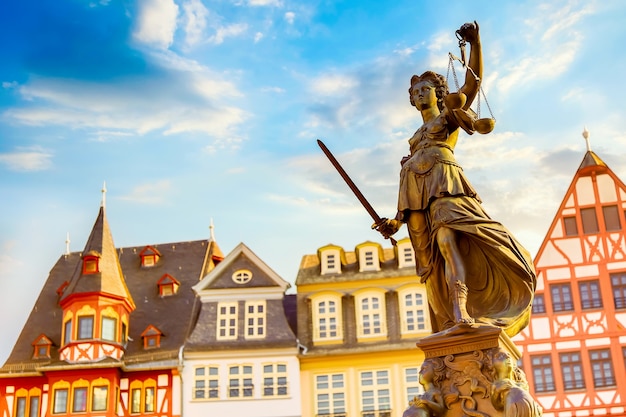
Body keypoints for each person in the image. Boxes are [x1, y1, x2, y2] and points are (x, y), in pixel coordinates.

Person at [376, 22, 536, 337]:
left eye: (426, 89)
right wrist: (395, 222)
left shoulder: (448, 116)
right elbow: (406, 183)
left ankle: (463, 311)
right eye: (416, 91)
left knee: (449, 242)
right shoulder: (414, 138)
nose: (420, 93)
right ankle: (449, 317)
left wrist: (475, 45)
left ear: (438, 93)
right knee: (432, 264)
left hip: (445, 186)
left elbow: (472, 85)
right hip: (416, 198)